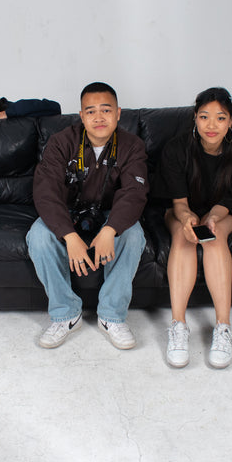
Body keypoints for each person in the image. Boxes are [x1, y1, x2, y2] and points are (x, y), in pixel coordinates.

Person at [26, 82, 148, 350]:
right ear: (81, 116)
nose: (99, 117)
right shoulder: (61, 142)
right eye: (90, 111)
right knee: (38, 235)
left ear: (118, 113)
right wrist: (69, 236)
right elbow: (45, 193)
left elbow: (134, 193)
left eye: (106, 110)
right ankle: (66, 315)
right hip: (67, 212)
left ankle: (112, 317)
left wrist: (110, 230)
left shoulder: (132, 145)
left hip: (109, 213)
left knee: (134, 235)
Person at [154, 87, 232, 369]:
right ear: (195, 119)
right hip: (182, 209)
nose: (211, 125)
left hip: (223, 212)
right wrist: (188, 219)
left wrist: (211, 218)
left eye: (220, 118)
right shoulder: (176, 149)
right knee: (183, 237)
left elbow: (230, 203)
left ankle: (223, 327)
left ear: (231, 121)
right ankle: (178, 326)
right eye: (204, 117)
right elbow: (178, 202)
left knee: (214, 237)